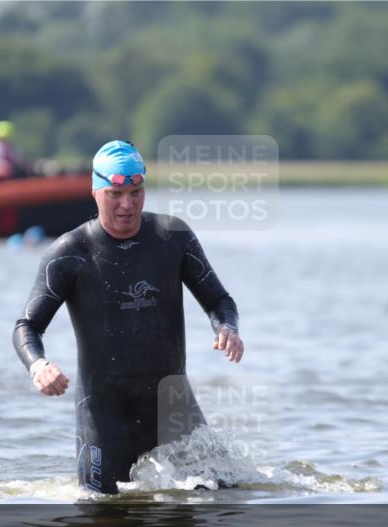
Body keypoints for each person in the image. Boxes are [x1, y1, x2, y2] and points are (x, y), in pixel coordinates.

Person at [12, 140, 243, 494]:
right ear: (95, 192)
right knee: (102, 517)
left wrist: (227, 327)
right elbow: (27, 326)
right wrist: (38, 366)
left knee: (225, 499)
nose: (127, 204)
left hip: (172, 405)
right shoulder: (70, 253)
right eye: (115, 193)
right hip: (104, 414)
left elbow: (219, 299)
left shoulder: (172, 237)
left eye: (136, 192)